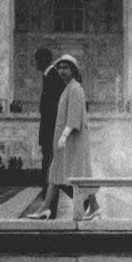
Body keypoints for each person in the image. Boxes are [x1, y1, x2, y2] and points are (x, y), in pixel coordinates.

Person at [26, 54, 100, 220]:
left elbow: (74, 116)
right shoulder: (69, 88)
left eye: (66, 68)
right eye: (59, 68)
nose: (62, 71)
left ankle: (92, 206)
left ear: (73, 70)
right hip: (65, 140)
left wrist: (64, 136)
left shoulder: (75, 88)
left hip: (72, 140)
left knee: (75, 174)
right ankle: (46, 208)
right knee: (56, 173)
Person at [36, 48, 64, 217]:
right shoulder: (50, 75)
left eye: (36, 59)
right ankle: (49, 209)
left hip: (52, 134)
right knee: (51, 172)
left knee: (51, 173)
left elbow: (52, 109)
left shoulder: (52, 76)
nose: (35, 63)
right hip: (50, 134)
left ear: (42, 60)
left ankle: (87, 201)